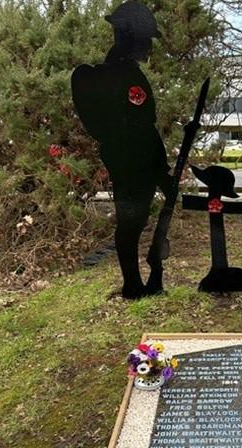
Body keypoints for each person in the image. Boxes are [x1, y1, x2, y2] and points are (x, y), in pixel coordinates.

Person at [71, 1, 175, 299]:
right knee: (131, 221)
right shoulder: (121, 76)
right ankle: (133, 284)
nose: (149, 47)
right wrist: (160, 171)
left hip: (133, 161)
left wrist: (161, 171)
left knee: (135, 220)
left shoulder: (123, 73)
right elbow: (140, 132)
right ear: (128, 36)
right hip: (132, 163)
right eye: (145, 39)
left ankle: (138, 281)